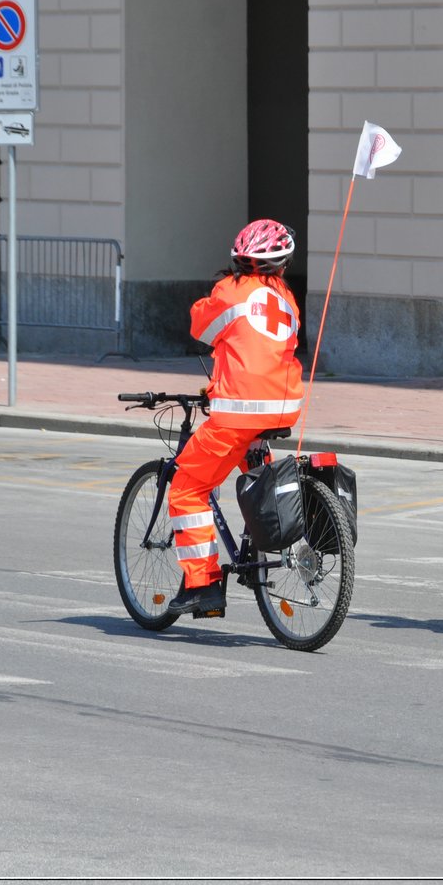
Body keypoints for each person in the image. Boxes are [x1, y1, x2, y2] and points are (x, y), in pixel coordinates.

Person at [164, 219, 305, 617]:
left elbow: (202, 327)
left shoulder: (230, 290)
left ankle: (202, 585)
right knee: (259, 480)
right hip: (282, 405)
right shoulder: (286, 299)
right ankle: (264, 535)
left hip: (239, 411)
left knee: (187, 489)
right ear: (282, 263)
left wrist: (208, 300)